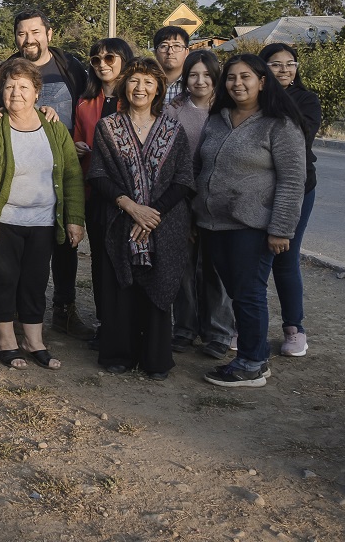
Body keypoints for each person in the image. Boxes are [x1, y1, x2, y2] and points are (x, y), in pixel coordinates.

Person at [0, 58, 85, 370]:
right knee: (4, 279)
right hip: (3, 222)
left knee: (36, 281)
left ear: (37, 92)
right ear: (1, 91)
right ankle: (6, 340)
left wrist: (74, 218)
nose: (16, 92)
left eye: (24, 86)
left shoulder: (53, 126)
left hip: (43, 221)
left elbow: (71, 173)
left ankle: (33, 340)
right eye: (10, 86)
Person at [195, 54, 305, 388]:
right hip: (213, 224)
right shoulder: (218, 119)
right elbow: (202, 166)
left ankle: (253, 363)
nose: (238, 83)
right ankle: (251, 358)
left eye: (246, 77)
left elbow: (292, 180)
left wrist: (281, 229)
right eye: (231, 77)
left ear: (262, 81)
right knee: (237, 291)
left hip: (253, 226)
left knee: (248, 293)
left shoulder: (279, 124)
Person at [87, 59, 195, 380]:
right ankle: (119, 353)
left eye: (148, 83)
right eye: (134, 81)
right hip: (119, 218)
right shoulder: (108, 127)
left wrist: (151, 214)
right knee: (121, 287)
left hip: (164, 222)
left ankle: (155, 358)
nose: (140, 88)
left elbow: (184, 179)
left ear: (159, 89)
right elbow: (98, 174)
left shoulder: (173, 130)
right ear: (124, 86)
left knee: (158, 285)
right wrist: (132, 209)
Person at [8, 8, 93, 340]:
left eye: (35, 32)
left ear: (49, 34)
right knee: (24, 248)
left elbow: (90, 107)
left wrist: (84, 142)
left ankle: (65, 311)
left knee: (66, 247)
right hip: (26, 173)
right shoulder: (10, 70)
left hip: (67, 171)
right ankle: (19, 313)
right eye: (22, 34)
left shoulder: (71, 68)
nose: (29, 40)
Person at [164, 50, 235, 359]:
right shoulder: (173, 111)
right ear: (185, 78)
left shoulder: (227, 113)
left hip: (217, 204)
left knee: (216, 270)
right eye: (194, 74)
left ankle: (218, 332)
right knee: (183, 268)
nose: (200, 80)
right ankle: (184, 328)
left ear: (216, 78)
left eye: (207, 75)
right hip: (181, 199)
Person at [259, 42, 322, 357]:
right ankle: (242, 325)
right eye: (275, 64)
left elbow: (300, 138)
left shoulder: (306, 100)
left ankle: (294, 329)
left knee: (286, 257)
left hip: (297, 188)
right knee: (250, 259)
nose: (285, 69)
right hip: (255, 189)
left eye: (290, 63)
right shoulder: (249, 96)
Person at [72, 38, 134, 350]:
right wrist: (76, 148)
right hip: (96, 193)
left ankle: (131, 326)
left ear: (124, 60)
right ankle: (105, 324)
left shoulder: (136, 99)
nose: (102, 64)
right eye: (96, 59)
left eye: (109, 57)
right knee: (101, 262)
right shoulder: (85, 103)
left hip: (132, 195)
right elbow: (76, 141)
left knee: (131, 261)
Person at [153, 26, 190, 103]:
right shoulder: (147, 83)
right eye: (164, 46)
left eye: (176, 46)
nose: (170, 51)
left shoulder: (194, 84)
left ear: (186, 52)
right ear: (155, 53)